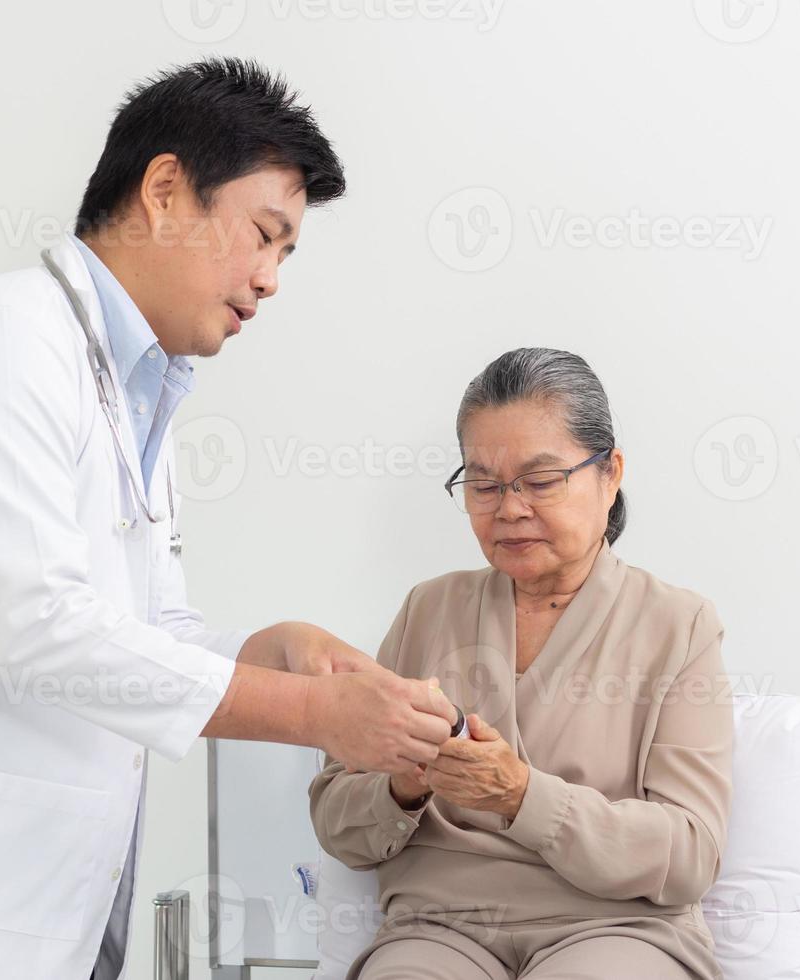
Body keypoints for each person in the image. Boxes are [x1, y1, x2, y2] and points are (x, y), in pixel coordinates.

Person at [0, 57, 455, 980]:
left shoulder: (135, 389)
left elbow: (145, 632)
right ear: (163, 191)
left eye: (288, 254)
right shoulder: (2, 342)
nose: (271, 280)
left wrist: (272, 652)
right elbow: (38, 629)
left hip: (33, 898)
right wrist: (316, 713)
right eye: (263, 236)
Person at [310, 348, 734, 980]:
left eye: (540, 481)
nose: (509, 508)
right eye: (483, 485)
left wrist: (520, 795)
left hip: (615, 927)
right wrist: (404, 785)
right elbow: (338, 821)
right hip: (438, 929)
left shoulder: (678, 625)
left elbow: (689, 853)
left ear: (609, 474)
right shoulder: (428, 609)